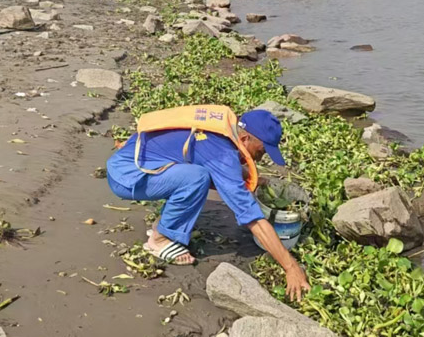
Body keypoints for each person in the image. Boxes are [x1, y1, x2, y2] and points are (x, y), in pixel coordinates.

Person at [106, 105, 311, 301]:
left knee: (198, 176)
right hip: (127, 176)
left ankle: (165, 224)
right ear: (245, 138)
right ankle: (160, 240)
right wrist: (291, 267)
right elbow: (251, 216)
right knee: (197, 178)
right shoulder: (222, 153)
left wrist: (248, 179)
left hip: (134, 160)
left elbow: (208, 158)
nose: (259, 158)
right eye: (261, 151)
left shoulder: (224, 129)